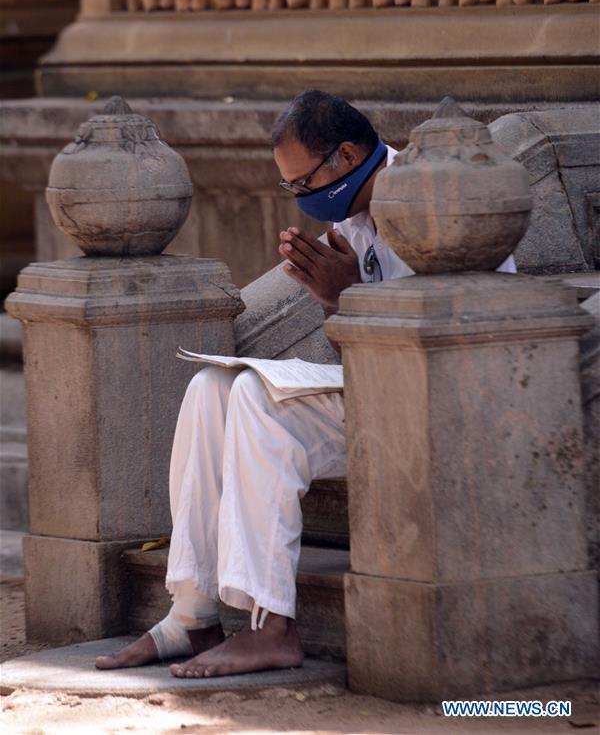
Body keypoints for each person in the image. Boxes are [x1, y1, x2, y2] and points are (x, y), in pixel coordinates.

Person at [96, 90, 515, 678]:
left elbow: (452, 332)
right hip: (373, 386)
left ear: (346, 155)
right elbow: (354, 341)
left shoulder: (429, 197)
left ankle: (273, 626)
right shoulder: (352, 214)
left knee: (253, 400)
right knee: (212, 387)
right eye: (290, 188)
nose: (302, 198)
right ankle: (192, 614)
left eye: (304, 182)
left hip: (443, 395)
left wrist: (352, 298)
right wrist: (335, 301)